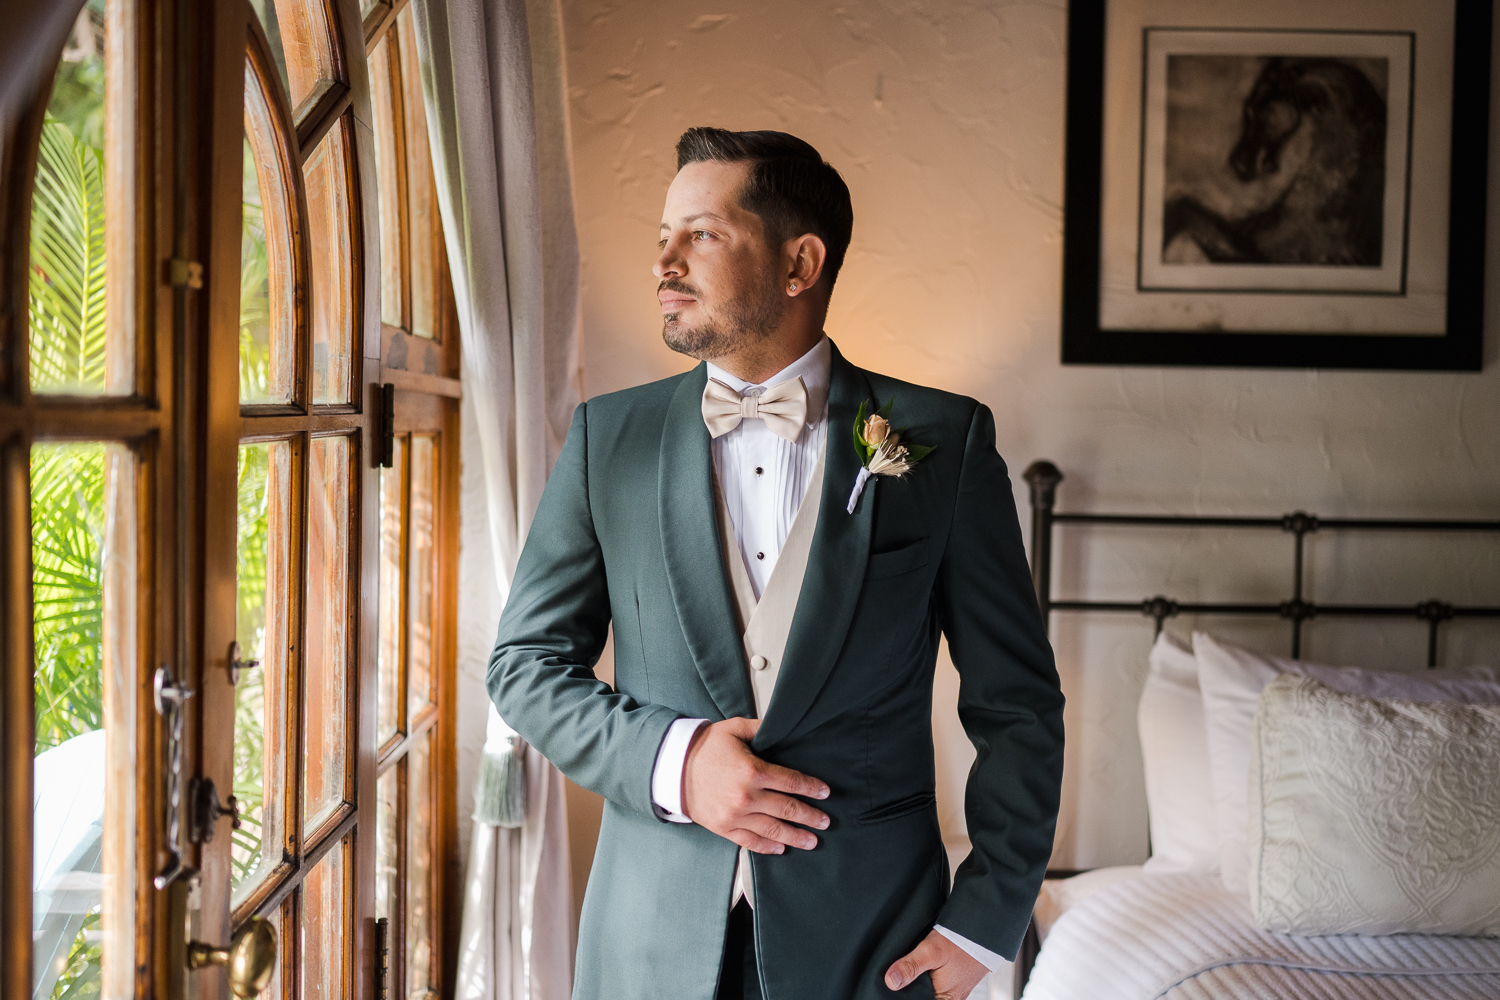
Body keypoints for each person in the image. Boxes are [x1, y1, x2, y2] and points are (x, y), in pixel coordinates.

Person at [488, 127, 1064, 1000]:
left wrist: (985, 923)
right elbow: (524, 666)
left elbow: (1016, 703)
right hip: (647, 947)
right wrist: (675, 761)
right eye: (662, 239)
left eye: (702, 235)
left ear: (799, 264)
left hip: (874, 946)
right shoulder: (610, 439)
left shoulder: (943, 440)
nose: (665, 264)